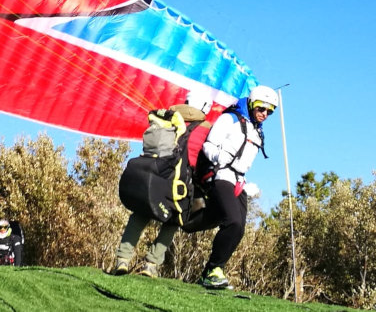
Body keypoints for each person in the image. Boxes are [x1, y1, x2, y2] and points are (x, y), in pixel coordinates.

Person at [113, 90, 213, 278]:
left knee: (141, 214)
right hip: (179, 181)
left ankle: (122, 260)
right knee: (174, 220)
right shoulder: (205, 128)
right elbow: (198, 160)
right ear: (205, 107)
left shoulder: (167, 118)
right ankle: (151, 264)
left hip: (156, 173)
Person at [195, 85, 277, 289]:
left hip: (239, 180)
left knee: (239, 227)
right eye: (261, 109)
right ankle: (213, 269)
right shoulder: (229, 119)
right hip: (220, 174)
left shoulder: (257, 130)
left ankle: (212, 271)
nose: (265, 114)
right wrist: (219, 157)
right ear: (251, 104)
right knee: (232, 222)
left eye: (270, 111)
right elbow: (209, 146)